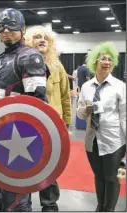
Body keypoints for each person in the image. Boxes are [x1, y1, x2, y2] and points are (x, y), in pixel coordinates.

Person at [0, 8, 48, 212]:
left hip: (21, 135)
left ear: (23, 29)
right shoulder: (0, 60)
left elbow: (38, 104)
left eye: (12, 27)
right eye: (1, 27)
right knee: (2, 192)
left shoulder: (30, 57)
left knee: (18, 195)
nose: (6, 30)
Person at [25, 25, 71, 212]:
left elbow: (65, 97)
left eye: (45, 37)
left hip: (52, 126)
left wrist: (66, 123)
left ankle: (49, 205)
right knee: (24, 166)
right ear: (29, 41)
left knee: (50, 167)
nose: (42, 40)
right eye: (37, 37)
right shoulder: (22, 64)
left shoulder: (57, 66)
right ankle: (23, 204)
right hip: (27, 126)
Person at [77, 42, 126, 212]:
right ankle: (100, 206)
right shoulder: (85, 87)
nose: (107, 62)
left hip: (114, 140)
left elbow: (124, 115)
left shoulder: (120, 86)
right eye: (103, 59)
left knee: (111, 177)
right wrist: (85, 109)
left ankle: (109, 209)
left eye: (110, 59)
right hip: (92, 140)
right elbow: (80, 114)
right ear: (94, 62)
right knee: (99, 176)